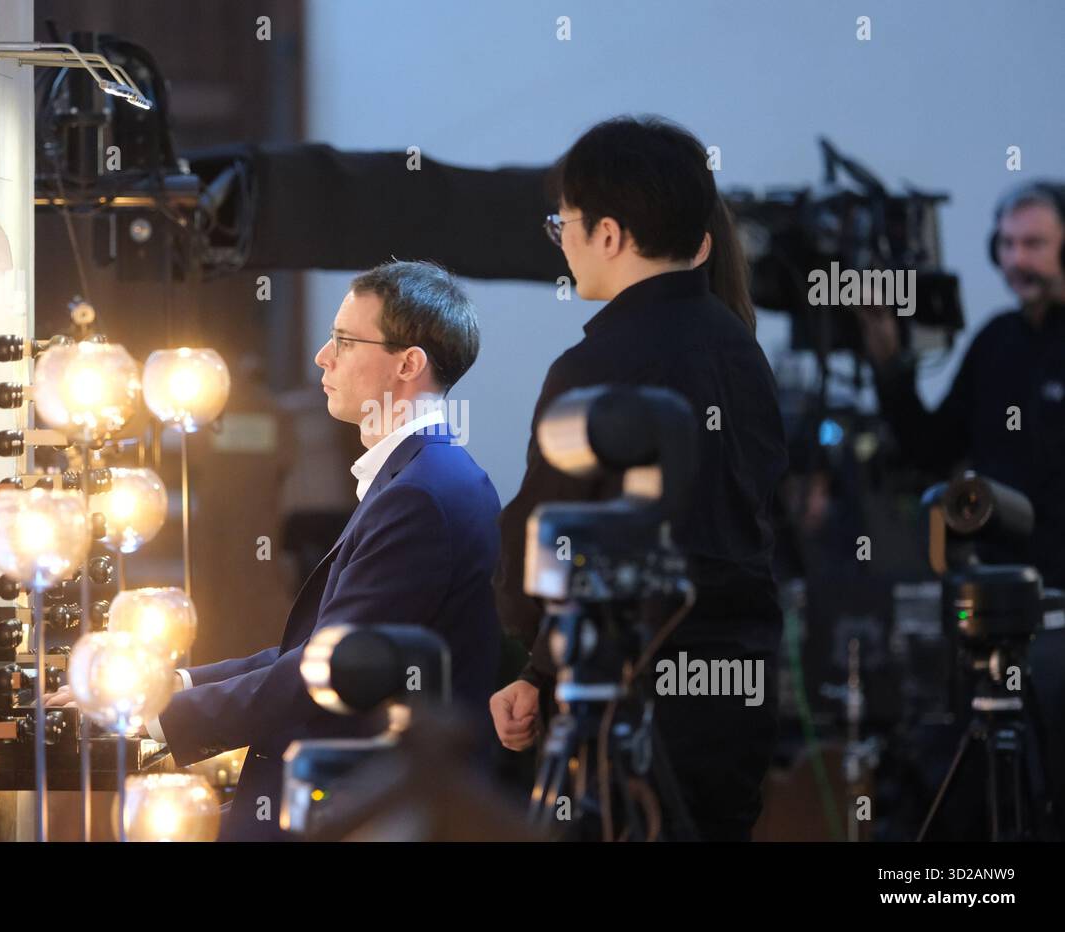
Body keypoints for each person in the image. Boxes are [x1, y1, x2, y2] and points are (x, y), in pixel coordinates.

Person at [53, 259, 502, 841]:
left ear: (408, 363)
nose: (323, 356)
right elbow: (317, 654)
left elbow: (328, 679)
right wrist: (169, 686)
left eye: (344, 340)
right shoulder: (425, 477)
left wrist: (151, 716)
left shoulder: (420, 494)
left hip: (366, 811)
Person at [489, 116, 788, 840]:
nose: (559, 238)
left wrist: (535, 664)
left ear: (611, 234)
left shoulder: (596, 368)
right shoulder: (743, 350)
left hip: (627, 703)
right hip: (740, 695)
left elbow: (545, 541)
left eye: (563, 222)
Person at [857, 180, 1065, 585]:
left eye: (1033, 244)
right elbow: (930, 450)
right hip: (998, 583)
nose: (1017, 259)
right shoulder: (995, 341)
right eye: (1006, 244)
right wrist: (888, 363)